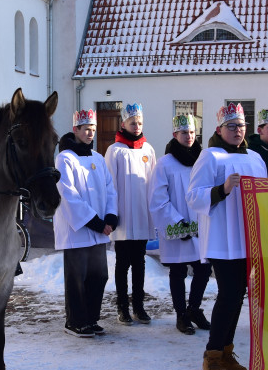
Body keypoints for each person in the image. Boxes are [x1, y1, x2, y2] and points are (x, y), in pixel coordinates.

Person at [186, 102, 267, 370]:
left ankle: (226, 352)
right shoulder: (210, 156)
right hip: (223, 238)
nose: (237, 131)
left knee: (237, 297)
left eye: (241, 126)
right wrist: (222, 189)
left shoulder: (256, 158)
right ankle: (212, 355)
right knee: (229, 295)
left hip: (248, 238)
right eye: (231, 126)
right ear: (220, 129)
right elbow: (193, 196)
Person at [53, 109, 118, 337]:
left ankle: (91, 319)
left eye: (93, 129)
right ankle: (75, 321)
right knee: (77, 278)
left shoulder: (98, 159)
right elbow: (68, 195)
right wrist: (95, 222)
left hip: (100, 228)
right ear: (75, 130)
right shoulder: (64, 158)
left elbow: (110, 190)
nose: (90, 133)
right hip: (78, 230)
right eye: (86, 129)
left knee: (98, 275)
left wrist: (111, 217)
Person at [149, 114, 213, 335]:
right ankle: (181, 315)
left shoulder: (203, 160)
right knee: (178, 271)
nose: (189, 137)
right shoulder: (164, 164)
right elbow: (158, 199)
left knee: (204, 268)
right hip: (178, 225)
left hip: (201, 225)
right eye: (184, 133)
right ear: (175, 135)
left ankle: (194, 309)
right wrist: (179, 224)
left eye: (192, 133)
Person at [104, 102, 157, 325]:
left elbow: (153, 185)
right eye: (133, 122)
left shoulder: (148, 150)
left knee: (140, 263)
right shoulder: (115, 151)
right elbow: (110, 185)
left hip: (142, 216)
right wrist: (112, 214)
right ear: (123, 123)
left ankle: (139, 306)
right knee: (122, 263)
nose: (137, 126)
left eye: (140, 122)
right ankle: (122, 308)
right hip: (124, 217)